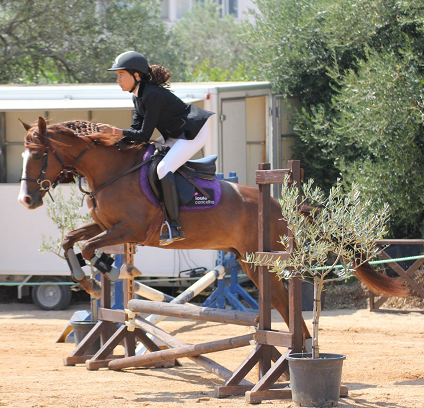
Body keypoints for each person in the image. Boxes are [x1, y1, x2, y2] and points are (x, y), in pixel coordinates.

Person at [98, 51, 214, 246]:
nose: (117, 80)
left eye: (121, 75)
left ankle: (175, 226)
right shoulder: (138, 96)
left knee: (163, 168)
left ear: (136, 76)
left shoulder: (152, 95)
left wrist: (115, 131)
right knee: (148, 158)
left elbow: (143, 135)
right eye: (117, 75)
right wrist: (112, 142)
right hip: (175, 134)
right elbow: (136, 130)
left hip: (193, 132)